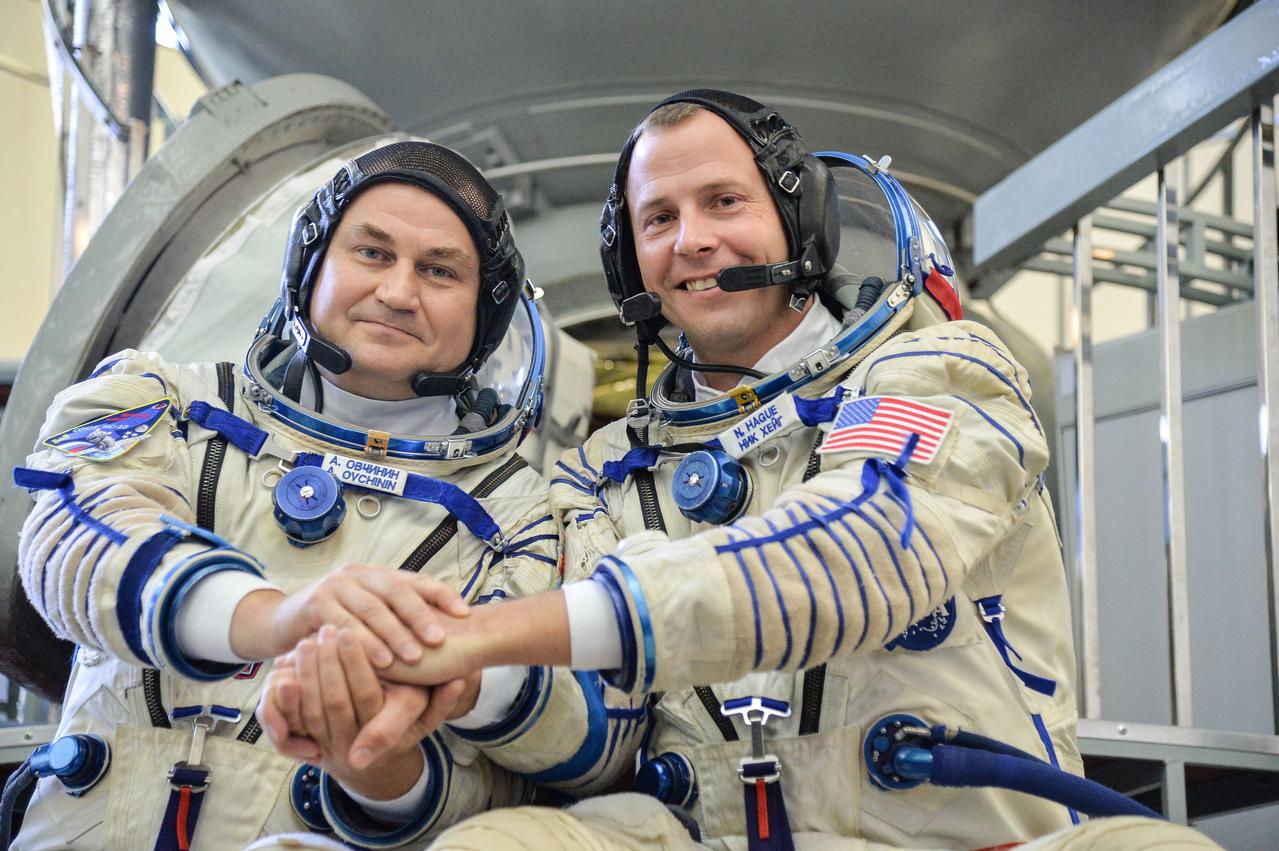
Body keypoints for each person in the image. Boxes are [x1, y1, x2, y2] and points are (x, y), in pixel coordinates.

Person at [262, 92, 1221, 850]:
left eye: (723, 202)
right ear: (631, 261)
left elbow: (865, 548)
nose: (692, 241)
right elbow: (591, 732)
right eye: (658, 218)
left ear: (798, 219)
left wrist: (478, 635)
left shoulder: (935, 367)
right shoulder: (600, 476)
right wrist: (470, 689)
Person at [8, 140, 559, 849]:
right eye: (372, 253)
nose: (398, 293)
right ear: (311, 262)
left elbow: (502, 784)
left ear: (487, 311)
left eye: (439, 271)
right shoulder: (163, 403)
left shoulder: (519, 517)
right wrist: (274, 617)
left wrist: (375, 768)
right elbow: (73, 545)